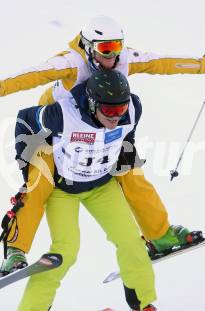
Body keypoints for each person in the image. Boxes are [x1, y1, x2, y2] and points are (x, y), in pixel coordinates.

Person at [0, 15, 205, 274]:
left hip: (106, 124)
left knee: (132, 175)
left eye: (116, 48)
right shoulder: (70, 62)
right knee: (40, 183)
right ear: (88, 47)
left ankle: (159, 236)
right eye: (104, 49)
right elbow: (34, 74)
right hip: (55, 127)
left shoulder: (122, 60)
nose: (111, 56)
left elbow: (161, 63)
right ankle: (16, 250)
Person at [15, 69, 157, 311]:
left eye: (120, 109)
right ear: (92, 103)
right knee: (65, 252)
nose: (116, 117)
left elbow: (127, 134)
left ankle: (143, 304)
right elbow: (23, 120)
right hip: (63, 190)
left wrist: (123, 151)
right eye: (110, 111)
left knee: (131, 241)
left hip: (102, 186)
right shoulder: (60, 115)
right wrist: (25, 164)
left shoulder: (133, 109)